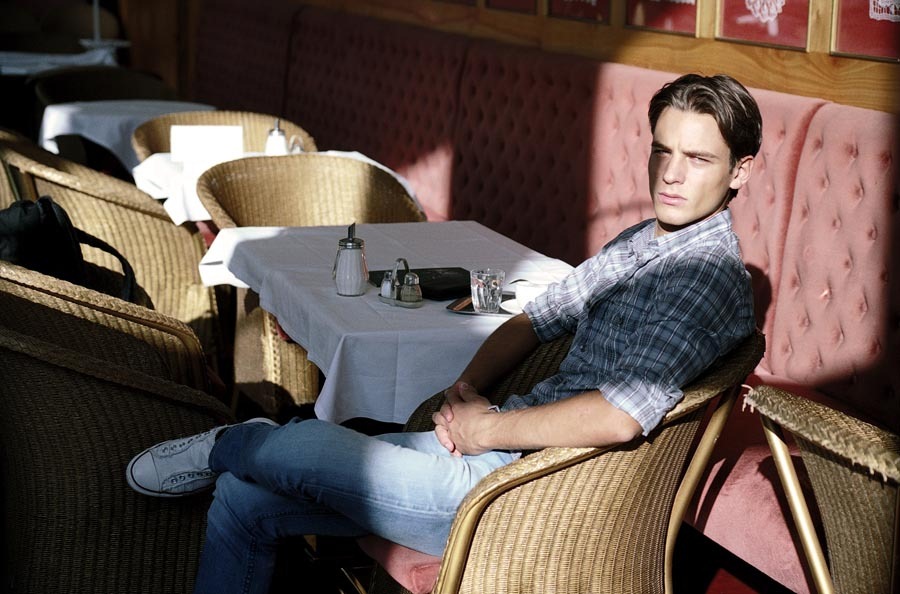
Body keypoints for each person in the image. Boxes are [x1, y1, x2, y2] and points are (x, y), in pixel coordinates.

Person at [126, 73, 762, 594]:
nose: (671, 173)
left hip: (531, 494)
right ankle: (247, 450)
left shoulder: (703, 274)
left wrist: (486, 430)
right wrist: (467, 388)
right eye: (662, 150)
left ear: (740, 171)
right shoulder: (642, 241)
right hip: (503, 450)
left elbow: (619, 417)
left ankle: (231, 440)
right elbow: (535, 318)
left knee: (293, 447)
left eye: (698, 158)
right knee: (243, 498)